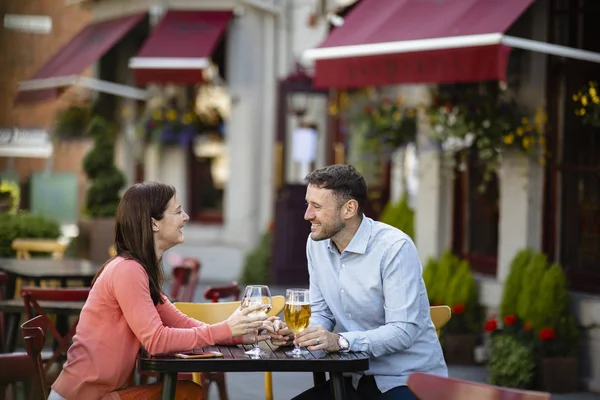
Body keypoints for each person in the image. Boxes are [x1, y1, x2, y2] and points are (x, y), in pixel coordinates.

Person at [50, 182, 270, 400]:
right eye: (177, 211)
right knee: (187, 394)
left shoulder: (138, 270)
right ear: (154, 223)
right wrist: (226, 329)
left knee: (188, 392)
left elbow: (183, 323)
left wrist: (244, 334)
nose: (186, 217)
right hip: (82, 397)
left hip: (101, 394)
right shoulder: (128, 270)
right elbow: (156, 340)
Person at [270, 165, 447, 400]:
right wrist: (297, 333)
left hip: (407, 380)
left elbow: (403, 331)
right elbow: (322, 314)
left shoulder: (394, 248)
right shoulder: (316, 243)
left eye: (317, 207)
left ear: (349, 208)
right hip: (354, 379)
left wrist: (340, 341)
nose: (307, 215)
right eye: (307, 204)